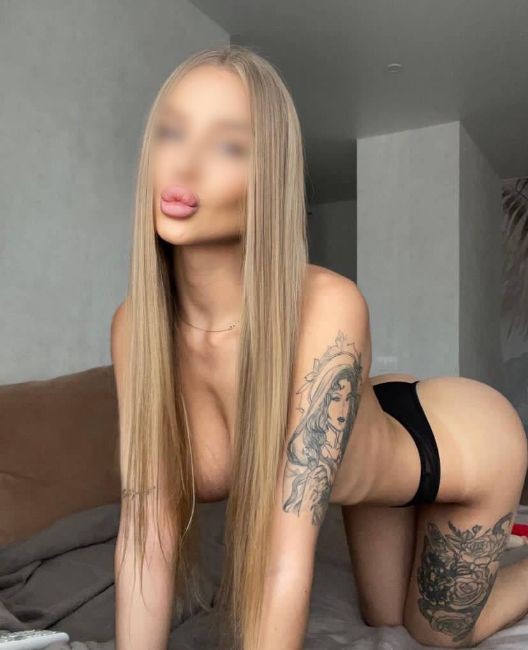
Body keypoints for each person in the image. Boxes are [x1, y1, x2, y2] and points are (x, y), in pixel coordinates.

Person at [110, 44, 528, 650]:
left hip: (463, 442)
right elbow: (146, 534)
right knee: (384, 619)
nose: (186, 165)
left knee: (433, 634)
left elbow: (282, 561)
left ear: (269, 177)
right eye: (172, 132)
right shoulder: (136, 329)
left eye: (229, 146)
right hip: (376, 432)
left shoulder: (326, 308)